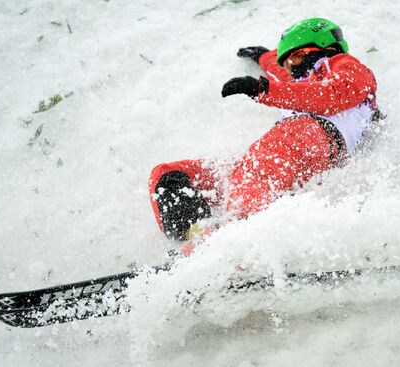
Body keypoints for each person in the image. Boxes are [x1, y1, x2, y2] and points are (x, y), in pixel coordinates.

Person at [148, 18, 378, 255]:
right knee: (169, 175)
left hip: (315, 137)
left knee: (262, 161)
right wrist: (263, 56)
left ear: (322, 46)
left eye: (295, 58)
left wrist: (262, 89)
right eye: (286, 63)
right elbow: (276, 69)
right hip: (278, 157)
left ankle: (233, 248)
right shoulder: (293, 79)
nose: (289, 68)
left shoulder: (343, 64)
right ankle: (198, 233)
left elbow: (335, 94)